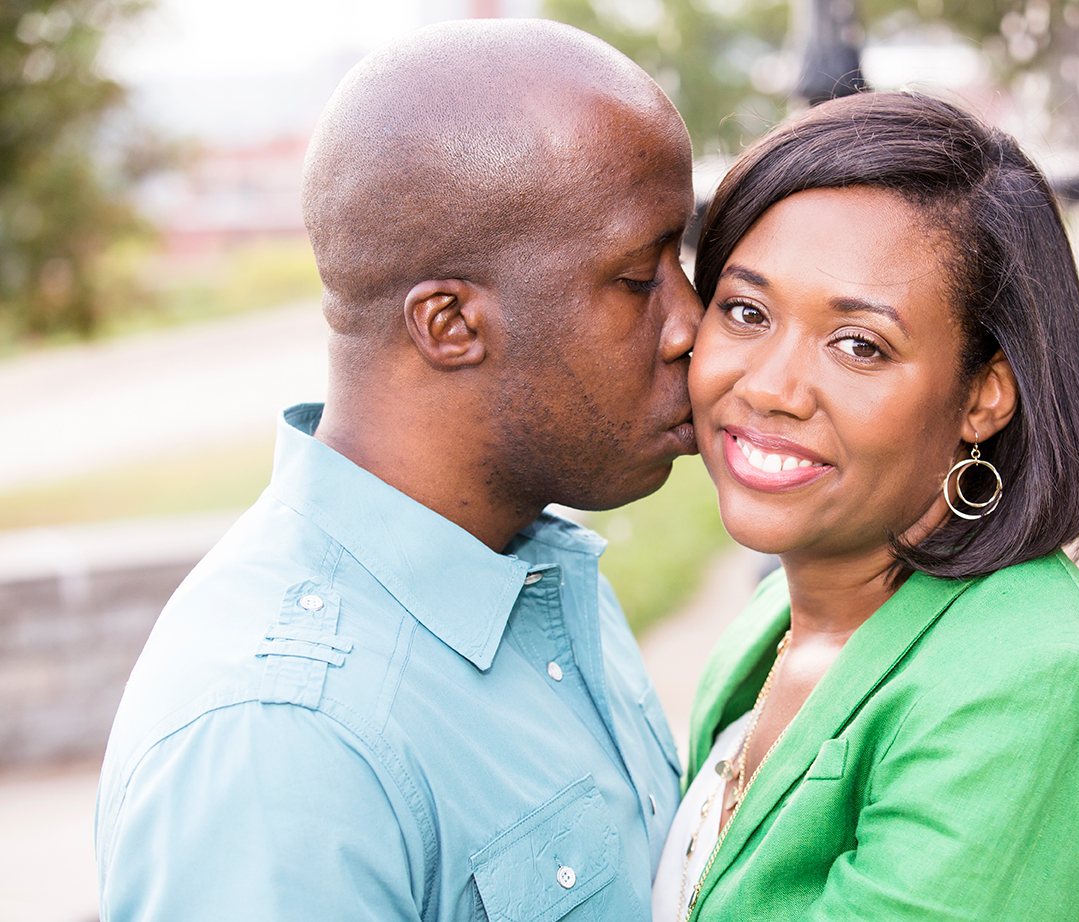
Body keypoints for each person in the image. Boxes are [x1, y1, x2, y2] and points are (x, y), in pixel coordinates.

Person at [95, 19, 700, 922]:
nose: (693, 323)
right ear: (451, 324)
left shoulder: (538, 572)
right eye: (636, 277)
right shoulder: (285, 742)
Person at [652, 92, 1079, 921]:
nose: (767, 386)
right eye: (746, 311)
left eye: (859, 345)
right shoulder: (771, 625)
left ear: (985, 396)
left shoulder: (1032, 681)